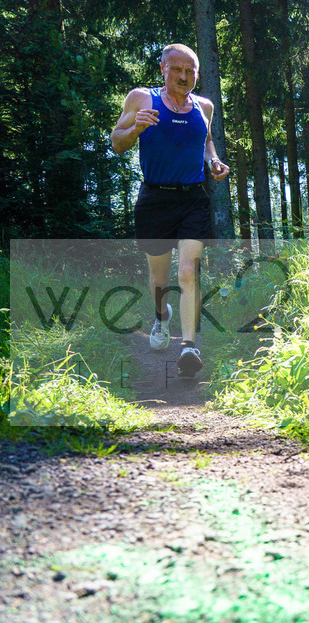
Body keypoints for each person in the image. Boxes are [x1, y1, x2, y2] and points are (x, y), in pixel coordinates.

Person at [111, 43, 229, 378]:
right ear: (163, 68)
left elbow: (205, 141)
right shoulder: (141, 99)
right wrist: (136, 128)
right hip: (155, 200)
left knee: (188, 272)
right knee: (160, 277)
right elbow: (117, 142)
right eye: (176, 69)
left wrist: (214, 161)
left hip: (193, 199)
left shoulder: (204, 106)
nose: (184, 76)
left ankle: (189, 346)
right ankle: (161, 317)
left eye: (190, 70)